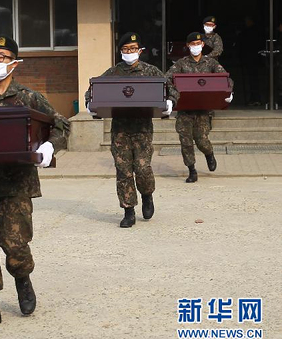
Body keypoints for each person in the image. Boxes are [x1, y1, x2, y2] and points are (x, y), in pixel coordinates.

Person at [0, 35, 70, 330]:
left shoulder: (30, 98)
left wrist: (49, 147)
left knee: (16, 245)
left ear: (15, 63)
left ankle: (22, 279)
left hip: (18, 184)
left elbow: (60, 124)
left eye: (3, 57)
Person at [85, 32, 178, 228]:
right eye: (126, 49)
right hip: (120, 129)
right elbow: (93, 89)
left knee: (143, 168)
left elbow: (171, 88)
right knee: (124, 171)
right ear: (120, 52)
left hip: (142, 128)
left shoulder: (151, 71)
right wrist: (89, 102)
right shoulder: (113, 72)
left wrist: (170, 101)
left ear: (140, 51)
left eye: (133, 49)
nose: (130, 52)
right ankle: (128, 211)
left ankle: (147, 195)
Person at [166, 32, 234, 183]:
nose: (195, 47)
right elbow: (167, 78)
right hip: (185, 110)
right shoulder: (181, 63)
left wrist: (228, 91)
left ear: (203, 45)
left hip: (203, 110)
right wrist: (172, 96)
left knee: (201, 140)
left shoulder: (210, 63)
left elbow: (226, 78)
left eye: (198, 44)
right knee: (186, 142)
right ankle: (192, 170)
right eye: (192, 44)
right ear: (188, 46)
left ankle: (209, 154)